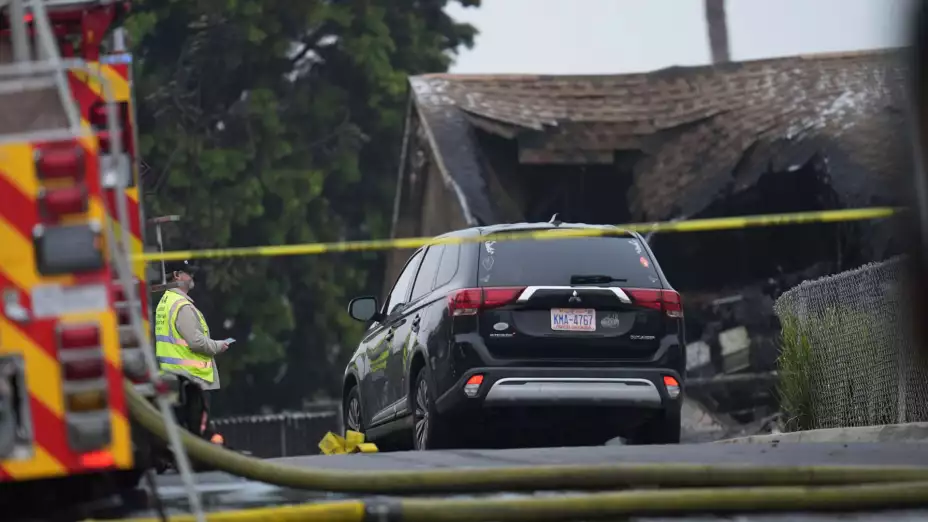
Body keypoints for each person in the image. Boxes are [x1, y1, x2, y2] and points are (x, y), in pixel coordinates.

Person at [153, 259, 230, 442]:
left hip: (175, 378)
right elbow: (195, 342)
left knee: (183, 427)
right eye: (189, 272)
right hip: (193, 380)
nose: (192, 276)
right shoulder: (181, 306)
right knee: (198, 430)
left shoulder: (165, 303)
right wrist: (219, 346)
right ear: (177, 276)